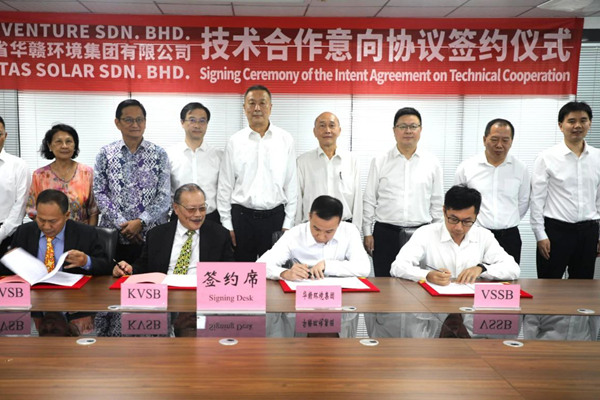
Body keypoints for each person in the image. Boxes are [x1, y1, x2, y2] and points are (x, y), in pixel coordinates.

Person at [217, 85, 297, 261]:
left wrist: (288, 223)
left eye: (262, 103)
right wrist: (227, 224)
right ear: (244, 108)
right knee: (242, 272)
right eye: (252, 103)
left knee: (275, 271)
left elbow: (291, 185)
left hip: (275, 218)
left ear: (270, 107)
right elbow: (225, 186)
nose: (257, 108)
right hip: (242, 219)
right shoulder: (235, 141)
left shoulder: (285, 140)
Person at [363, 107, 443, 277]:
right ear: (394, 131)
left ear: (420, 130)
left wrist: (438, 236)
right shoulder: (380, 161)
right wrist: (367, 232)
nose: (408, 131)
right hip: (385, 233)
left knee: (418, 283)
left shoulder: (432, 162)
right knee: (384, 282)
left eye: (413, 126)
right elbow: (369, 199)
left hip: (420, 234)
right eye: (403, 126)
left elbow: (437, 203)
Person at [390, 185, 520, 285]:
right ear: (444, 211)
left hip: (470, 303)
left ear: (477, 215)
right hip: (433, 303)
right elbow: (398, 267)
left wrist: (482, 269)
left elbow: (513, 269)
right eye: (453, 219)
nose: (459, 227)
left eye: (467, 221)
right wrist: (427, 275)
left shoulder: (483, 235)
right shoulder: (425, 233)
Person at [94, 99, 171, 264]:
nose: (135, 124)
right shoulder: (105, 153)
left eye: (139, 119)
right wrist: (124, 225)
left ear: (145, 122)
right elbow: (99, 193)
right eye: (128, 120)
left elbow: (164, 196)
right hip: (114, 235)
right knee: (112, 278)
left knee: (151, 278)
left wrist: (141, 222)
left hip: (151, 234)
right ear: (117, 123)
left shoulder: (159, 154)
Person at [530, 101, 600, 279]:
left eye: (583, 120)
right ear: (561, 126)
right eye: (571, 121)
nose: (577, 126)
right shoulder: (546, 157)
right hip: (556, 232)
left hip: (588, 232)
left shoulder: (597, 157)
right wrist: (540, 235)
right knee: (547, 285)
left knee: (582, 287)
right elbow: (537, 200)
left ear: (590, 123)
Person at [112, 184, 234, 276]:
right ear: (176, 208)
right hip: (165, 292)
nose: (198, 215)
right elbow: (144, 265)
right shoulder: (157, 235)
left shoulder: (219, 235)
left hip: (201, 293)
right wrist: (129, 269)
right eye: (191, 209)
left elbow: (229, 272)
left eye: (202, 208)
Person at [454, 119, 529, 264]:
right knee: (472, 275)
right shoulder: (467, 167)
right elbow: (458, 203)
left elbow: (523, 201)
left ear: (511, 142)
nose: (499, 145)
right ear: (484, 139)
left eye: (505, 140)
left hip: (509, 237)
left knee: (508, 275)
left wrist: (505, 221)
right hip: (475, 235)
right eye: (494, 139)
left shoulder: (520, 169)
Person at [258, 195, 370, 281]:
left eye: (329, 231)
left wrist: (327, 265)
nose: (321, 236)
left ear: (339, 222)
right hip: (302, 296)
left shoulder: (349, 231)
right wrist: (284, 273)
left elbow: (364, 268)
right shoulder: (294, 234)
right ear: (310, 216)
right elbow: (260, 266)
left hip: (340, 297)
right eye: (316, 229)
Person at [10, 189, 110, 275]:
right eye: (41, 220)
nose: (46, 226)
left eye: (53, 221)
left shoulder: (85, 233)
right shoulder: (24, 232)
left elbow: (106, 266)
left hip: (71, 290)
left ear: (66, 216)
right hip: (33, 289)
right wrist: (9, 260)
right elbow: (7, 271)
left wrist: (86, 261)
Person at [296, 111, 362, 231]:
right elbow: (298, 199)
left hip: (344, 228)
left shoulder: (351, 160)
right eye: (322, 126)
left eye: (332, 125)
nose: (327, 130)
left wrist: (356, 229)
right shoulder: (303, 161)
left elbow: (357, 199)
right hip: (312, 228)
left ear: (339, 130)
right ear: (315, 132)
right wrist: (297, 230)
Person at [26, 123, 98, 225]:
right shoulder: (39, 175)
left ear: (75, 145)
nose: (64, 146)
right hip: (49, 231)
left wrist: (90, 233)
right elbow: (32, 210)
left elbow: (93, 211)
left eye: (68, 141)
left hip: (82, 232)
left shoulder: (87, 173)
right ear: (50, 146)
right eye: (58, 142)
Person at [167, 102, 223, 224]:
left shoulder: (219, 156)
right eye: (192, 120)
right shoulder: (169, 155)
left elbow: (224, 192)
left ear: (207, 124)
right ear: (182, 122)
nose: (197, 125)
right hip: (179, 219)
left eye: (202, 121)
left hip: (211, 218)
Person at [0, 116, 30, 265]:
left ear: (5, 135)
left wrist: (1, 233)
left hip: (9, 234)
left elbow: (21, 205)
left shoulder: (18, 165)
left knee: (7, 277)